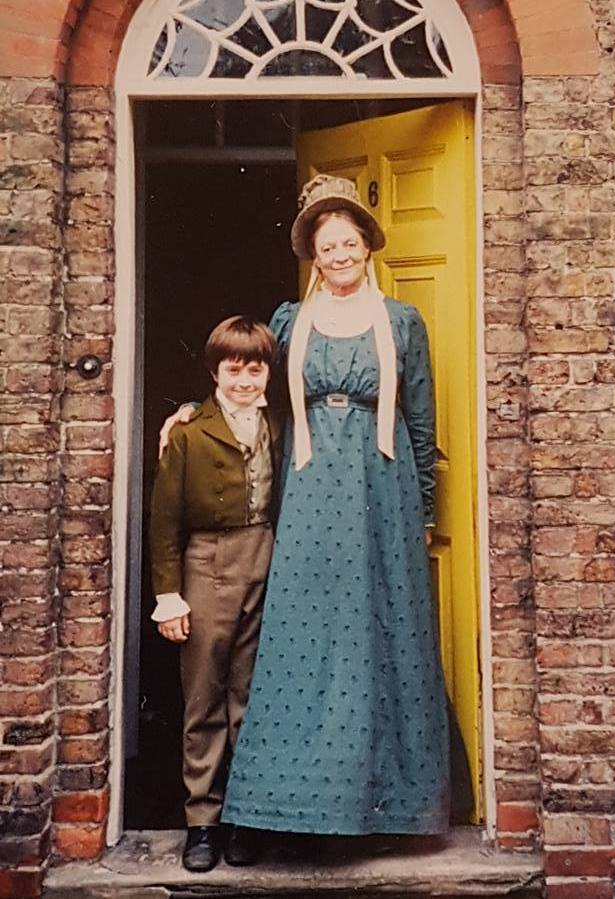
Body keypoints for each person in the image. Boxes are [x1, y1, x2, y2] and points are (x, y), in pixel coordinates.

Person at [162, 175, 449, 839]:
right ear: (314, 255)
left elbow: (421, 418)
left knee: (382, 633)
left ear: (367, 246)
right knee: (305, 637)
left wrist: (424, 511)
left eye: (349, 242)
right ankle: (289, 806)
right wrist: (192, 412)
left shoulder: (402, 322)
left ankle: (389, 805)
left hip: (382, 490)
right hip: (310, 491)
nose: (339, 255)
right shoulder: (292, 320)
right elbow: (248, 385)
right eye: (327, 246)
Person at [150, 315, 283, 871]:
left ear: (268, 374)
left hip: (267, 558)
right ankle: (202, 821)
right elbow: (164, 522)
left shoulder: (279, 422)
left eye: (255, 371)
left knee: (252, 696)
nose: (245, 382)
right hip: (207, 563)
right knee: (205, 696)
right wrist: (169, 596)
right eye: (234, 371)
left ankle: (245, 817)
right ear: (214, 373)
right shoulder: (188, 433)